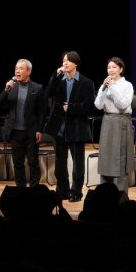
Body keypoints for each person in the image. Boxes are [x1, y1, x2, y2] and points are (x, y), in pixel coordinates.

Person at [44, 51, 95, 202]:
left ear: (76, 63)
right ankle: (62, 191)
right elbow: (48, 93)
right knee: (60, 163)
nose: (65, 63)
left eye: (68, 61)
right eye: (63, 60)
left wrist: (71, 108)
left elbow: (89, 106)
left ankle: (76, 192)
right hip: (59, 127)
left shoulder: (86, 82)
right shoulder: (59, 79)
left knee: (78, 164)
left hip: (77, 127)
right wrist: (55, 76)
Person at [0, 59, 47, 188]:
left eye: (21, 68)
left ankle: (34, 189)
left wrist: (39, 129)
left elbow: (42, 112)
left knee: (33, 162)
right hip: (14, 132)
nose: (17, 71)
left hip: (31, 132)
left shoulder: (37, 88)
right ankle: (21, 190)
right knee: (18, 163)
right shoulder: (11, 87)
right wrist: (6, 89)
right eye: (16, 69)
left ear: (29, 71)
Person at [94, 57, 135, 193]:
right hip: (108, 121)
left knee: (119, 158)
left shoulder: (127, 85)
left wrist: (113, 87)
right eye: (109, 67)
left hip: (121, 121)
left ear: (121, 69)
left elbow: (123, 104)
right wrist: (103, 89)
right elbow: (98, 105)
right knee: (106, 158)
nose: (110, 70)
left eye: (114, 67)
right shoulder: (105, 85)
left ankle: (120, 195)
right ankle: (105, 193)